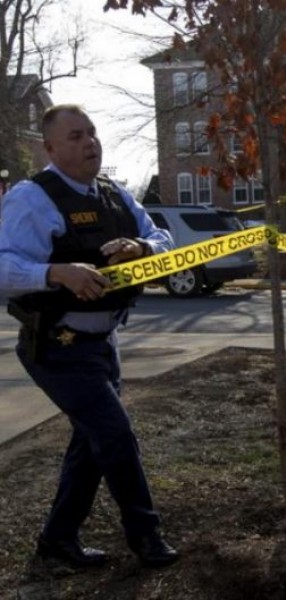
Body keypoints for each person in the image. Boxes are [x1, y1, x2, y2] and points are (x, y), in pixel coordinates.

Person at [0, 104, 179, 571]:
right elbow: (3, 268)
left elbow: (164, 239)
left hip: (104, 343)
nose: (89, 143)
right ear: (50, 148)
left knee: (91, 444)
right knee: (114, 435)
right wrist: (56, 272)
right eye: (75, 136)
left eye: (93, 133)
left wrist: (140, 247)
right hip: (55, 345)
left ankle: (57, 544)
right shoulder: (32, 198)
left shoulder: (115, 194)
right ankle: (146, 535)